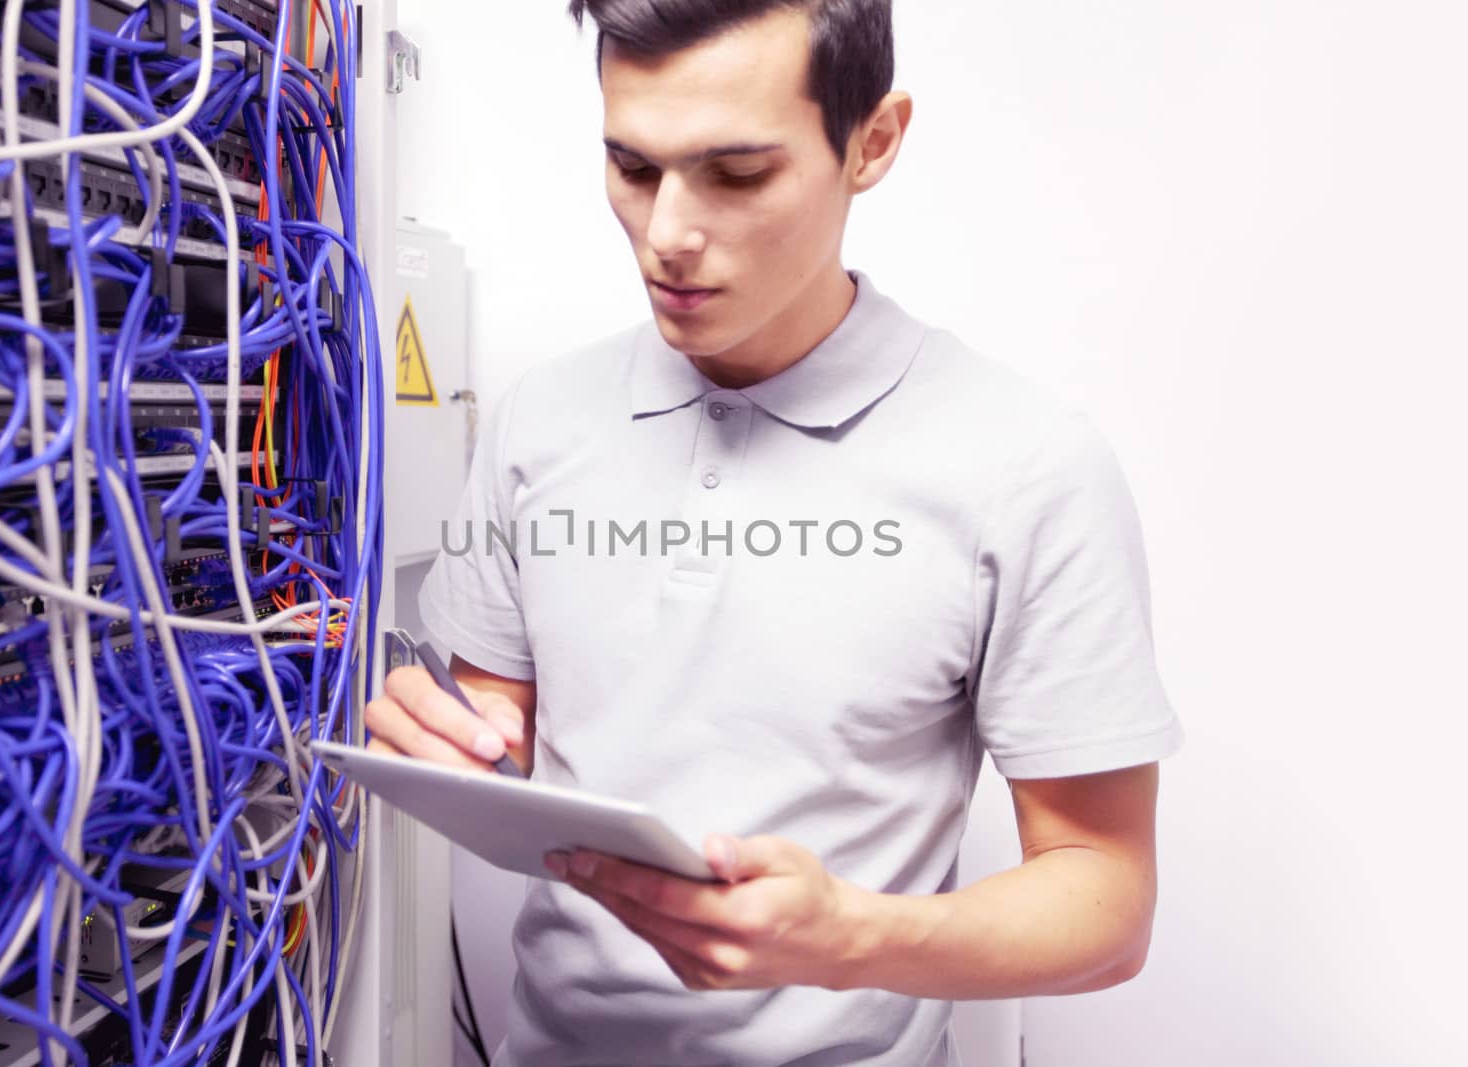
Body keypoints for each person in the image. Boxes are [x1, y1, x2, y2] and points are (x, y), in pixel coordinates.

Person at [363, 1, 1185, 1063]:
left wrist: (849, 937)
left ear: (872, 143)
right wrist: (452, 739)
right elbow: (499, 713)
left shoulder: (1026, 465)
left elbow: (1107, 897)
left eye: (737, 174)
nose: (666, 234)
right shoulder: (538, 419)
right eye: (631, 164)